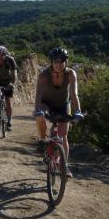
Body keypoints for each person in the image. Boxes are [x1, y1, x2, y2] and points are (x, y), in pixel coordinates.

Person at [33, 47, 84, 177]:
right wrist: (38, 110)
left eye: (61, 61)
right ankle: (42, 140)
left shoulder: (71, 74)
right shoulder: (44, 75)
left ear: (66, 62)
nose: (58, 64)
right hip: (46, 103)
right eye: (55, 61)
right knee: (40, 116)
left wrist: (78, 111)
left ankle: (64, 166)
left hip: (63, 104)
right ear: (51, 62)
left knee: (63, 135)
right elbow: (38, 96)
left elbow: (74, 94)